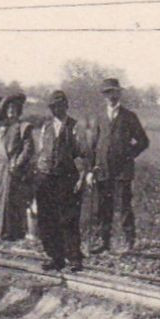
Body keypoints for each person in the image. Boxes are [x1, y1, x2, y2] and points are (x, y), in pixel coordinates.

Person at [85, 77, 150, 254]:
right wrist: (90, 171)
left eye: (114, 92)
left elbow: (143, 141)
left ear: (119, 94)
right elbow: (92, 145)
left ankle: (129, 243)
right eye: (107, 93)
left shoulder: (129, 116)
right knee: (102, 208)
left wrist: (129, 154)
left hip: (122, 171)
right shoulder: (97, 117)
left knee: (124, 207)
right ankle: (104, 242)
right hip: (102, 170)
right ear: (104, 96)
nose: (111, 96)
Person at [31, 90, 89, 272]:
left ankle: (74, 258)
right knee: (47, 219)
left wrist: (81, 177)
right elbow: (41, 153)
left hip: (67, 178)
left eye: (60, 105)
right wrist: (38, 177)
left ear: (66, 106)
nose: (57, 109)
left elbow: (83, 154)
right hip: (46, 177)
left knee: (68, 219)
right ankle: (55, 257)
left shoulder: (74, 127)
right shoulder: (45, 128)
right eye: (54, 106)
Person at [0, 93, 34, 241]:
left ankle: (13, 232)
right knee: (2, 198)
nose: (11, 111)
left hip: (15, 168)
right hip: (3, 168)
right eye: (9, 108)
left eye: (14, 108)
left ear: (19, 110)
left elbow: (28, 149)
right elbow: (0, 150)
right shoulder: (3, 129)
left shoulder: (24, 127)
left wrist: (17, 164)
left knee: (12, 199)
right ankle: (1, 231)